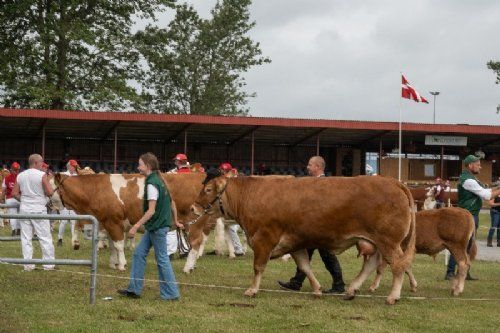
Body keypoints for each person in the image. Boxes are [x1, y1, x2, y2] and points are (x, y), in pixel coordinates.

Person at [277, 156, 345, 294]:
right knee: (304, 253)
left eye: (310, 165)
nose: (307, 167)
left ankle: (339, 285)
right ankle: (296, 282)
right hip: (310, 228)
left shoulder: (326, 183)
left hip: (322, 228)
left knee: (328, 256)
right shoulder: (310, 182)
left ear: (318, 167)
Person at [117, 152, 180, 300]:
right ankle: (134, 290)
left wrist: (135, 226)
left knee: (162, 260)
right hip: (155, 227)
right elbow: (172, 203)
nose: (138, 167)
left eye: (140, 164)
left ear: (148, 166)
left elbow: (151, 211)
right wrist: (175, 221)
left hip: (157, 227)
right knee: (139, 254)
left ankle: (171, 293)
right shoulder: (160, 179)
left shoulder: (152, 183)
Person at [445, 155, 500, 280]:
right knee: (460, 245)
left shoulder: (471, 179)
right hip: (465, 217)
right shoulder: (468, 180)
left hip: (471, 215)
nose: (480, 166)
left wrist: (497, 188)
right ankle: (450, 273)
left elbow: (487, 190)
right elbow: (486, 195)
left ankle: (464, 271)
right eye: (478, 164)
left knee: (469, 246)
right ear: (470, 165)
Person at [12, 154, 55, 271]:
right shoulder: (42, 175)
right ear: (36, 163)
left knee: (26, 238)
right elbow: (50, 192)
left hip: (25, 209)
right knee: (45, 237)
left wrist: (25, 200)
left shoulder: (20, 175)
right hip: (39, 209)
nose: (42, 165)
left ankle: (28, 265)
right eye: (41, 162)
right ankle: (48, 264)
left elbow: (14, 193)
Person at [219, 162, 245, 257]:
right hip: (234, 207)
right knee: (231, 227)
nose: (222, 171)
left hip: (239, 207)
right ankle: (238, 249)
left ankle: (239, 250)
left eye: (223, 170)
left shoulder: (233, 179)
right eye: (222, 170)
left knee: (232, 228)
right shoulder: (228, 177)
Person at [57, 159, 79, 246]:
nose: (74, 167)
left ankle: (73, 240)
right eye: (73, 166)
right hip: (65, 201)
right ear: (69, 166)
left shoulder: (77, 176)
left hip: (74, 201)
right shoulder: (63, 175)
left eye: (75, 166)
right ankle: (60, 239)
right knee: (64, 221)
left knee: (74, 221)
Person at [2, 162, 21, 236]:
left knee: (13, 215)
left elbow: (3, 190)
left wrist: (2, 198)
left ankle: (13, 230)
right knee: (20, 215)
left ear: (11, 169)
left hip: (10, 198)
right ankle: (19, 230)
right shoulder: (21, 177)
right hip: (19, 198)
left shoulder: (6, 178)